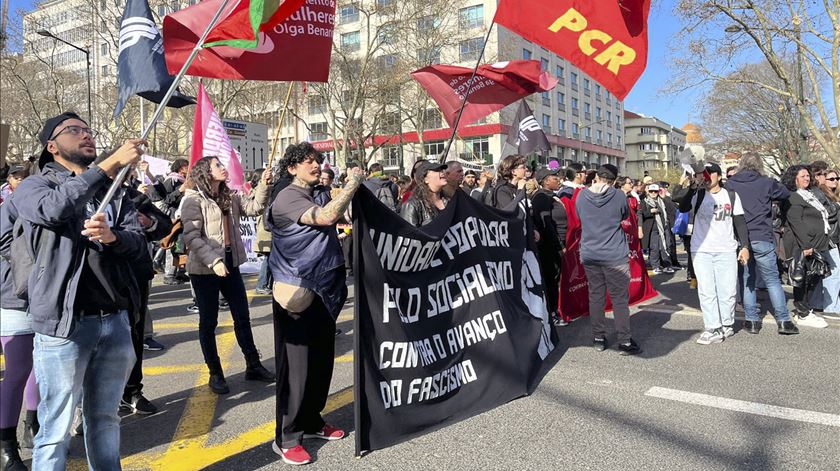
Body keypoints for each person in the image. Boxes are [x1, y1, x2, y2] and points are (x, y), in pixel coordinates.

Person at [12, 112, 146, 470]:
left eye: (89, 129)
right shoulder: (33, 186)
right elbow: (52, 211)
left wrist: (114, 237)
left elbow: (140, 245)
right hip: (64, 326)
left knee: (105, 420)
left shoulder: (113, 192)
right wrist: (107, 166)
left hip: (114, 321)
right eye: (75, 130)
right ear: (52, 146)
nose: (86, 135)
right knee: (56, 428)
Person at [268, 143, 364, 465]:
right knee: (296, 368)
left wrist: (343, 191)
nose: (315, 164)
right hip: (297, 289)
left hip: (323, 289)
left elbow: (343, 213)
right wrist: (352, 182)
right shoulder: (288, 196)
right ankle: (287, 436)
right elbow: (327, 217)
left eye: (317, 159)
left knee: (321, 361)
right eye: (307, 161)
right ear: (292, 168)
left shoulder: (316, 192)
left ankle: (311, 420)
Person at [181, 156, 276, 395]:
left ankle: (253, 364)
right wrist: (214, 261)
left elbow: (254, 208)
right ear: (205, 172)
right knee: (209, 322)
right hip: (205, 270)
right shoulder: (193, 199)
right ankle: (215, 372)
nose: (223, 168)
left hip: (231, 264)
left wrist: (264, 185)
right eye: (217, 165)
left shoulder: (230, 196)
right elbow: (192, 237)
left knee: (242, 316)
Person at [725, 152, 798, 335]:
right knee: (772, 280)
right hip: (763, 235)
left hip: (742, 239)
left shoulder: (731, 184)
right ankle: (783, 320)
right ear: (759, 165)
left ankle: (751, 321)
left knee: (747, 279)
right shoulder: (766, 182)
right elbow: (784, 192)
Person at [678, 163, 751, 344]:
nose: (707, 177)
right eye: (704, 174)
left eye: (710, 174)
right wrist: (691, 185)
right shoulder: (698, 194)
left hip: (726, 249)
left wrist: (745, 246)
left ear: (718, 176)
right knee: (707, 290)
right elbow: (681, 205)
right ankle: (713, 327)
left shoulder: (731, 196)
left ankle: (727, 324)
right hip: (701, 249)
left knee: (727, 290)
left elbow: (740, 221)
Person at [575, 164, 641, 355]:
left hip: (590, 253)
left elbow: (580, 218)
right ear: (613, 180)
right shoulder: (619, 195)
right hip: (614, 254)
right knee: (620, 299)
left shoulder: (582, 195)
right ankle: (625, 341)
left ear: (596, 177)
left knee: (596, 297)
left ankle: (598, 337)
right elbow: (625, 215)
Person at [0, 176, 40, 470]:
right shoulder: (10, 207)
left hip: (49, 299)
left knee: (40, 369)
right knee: (17, 371)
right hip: (14, 297)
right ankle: (6, 447)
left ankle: (34, 427)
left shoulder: (55, 200)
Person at [780, 165, 831, 328]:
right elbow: (796, 222)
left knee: (813, 278)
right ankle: (802, 312)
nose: (807, 178)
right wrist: (806, 245)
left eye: (808, 176)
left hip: (816, 244)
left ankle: (806, 310)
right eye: (803, 176)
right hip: (802, 245)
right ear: (794, 178)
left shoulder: (809, 195)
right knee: (803, 278)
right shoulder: (794, 197)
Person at [531, 167, 567, 325]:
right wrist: (559, 246)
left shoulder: (551, 195)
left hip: (556, 243)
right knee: (551, 279)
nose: (558, 179)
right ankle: (552, 314)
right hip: (549, 247)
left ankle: (554, 310)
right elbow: (546, 225)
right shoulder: (541, 197)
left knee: (555, 279)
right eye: (554, 177)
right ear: (545, 180)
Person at [639, 183, 674, 274]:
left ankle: (667, 265)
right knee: (654, 247)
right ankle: (655, 266)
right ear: (648, 192)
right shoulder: (644, 202)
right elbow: (641, 215)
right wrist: (650, 212)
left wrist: (665, 197)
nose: (653, 193)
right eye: (651, 191)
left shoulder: (662, 201)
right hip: (652, 228)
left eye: (655, 191)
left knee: (666, 246)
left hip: (664, 227)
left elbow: (671, 210)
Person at [400, 162, 448, 227]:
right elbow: (408, 234)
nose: (443, 172)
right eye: (437, 170)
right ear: (425, 179)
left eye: (442, 170)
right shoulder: (412, 205)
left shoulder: (449, 200)